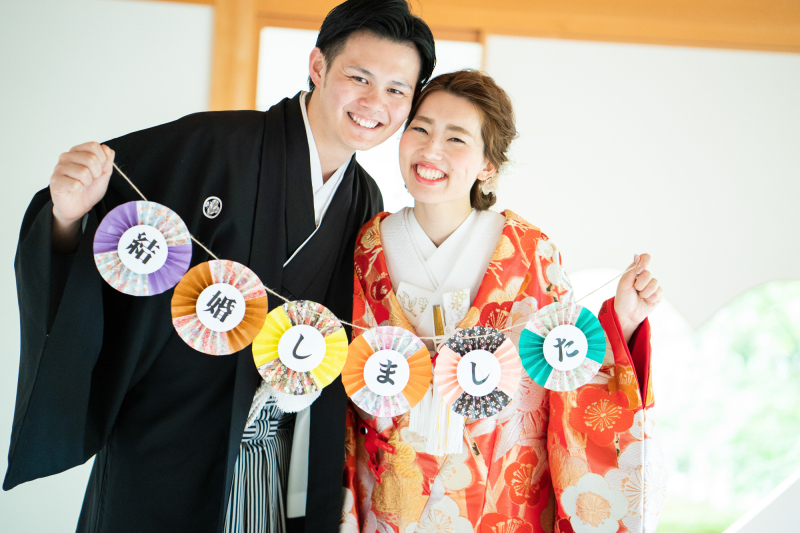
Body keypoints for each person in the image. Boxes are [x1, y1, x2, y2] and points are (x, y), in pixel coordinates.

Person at [4, 2, 435, 532]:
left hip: (273, 454)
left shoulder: (364, 198)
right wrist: (67, 215)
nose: (375, 102)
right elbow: (101, 213)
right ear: (319, 67)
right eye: (360, 77)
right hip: (166, 436)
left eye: (397, 90)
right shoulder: (210, 144)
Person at [343, 70, 666, 532]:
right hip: (390, 497)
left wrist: (626, 322)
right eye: (420, 128)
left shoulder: (529, 251)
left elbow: (569, 372)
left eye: (456, 138)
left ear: (488, 165)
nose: (431, 150)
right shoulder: (366, 247)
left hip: (501, 502)